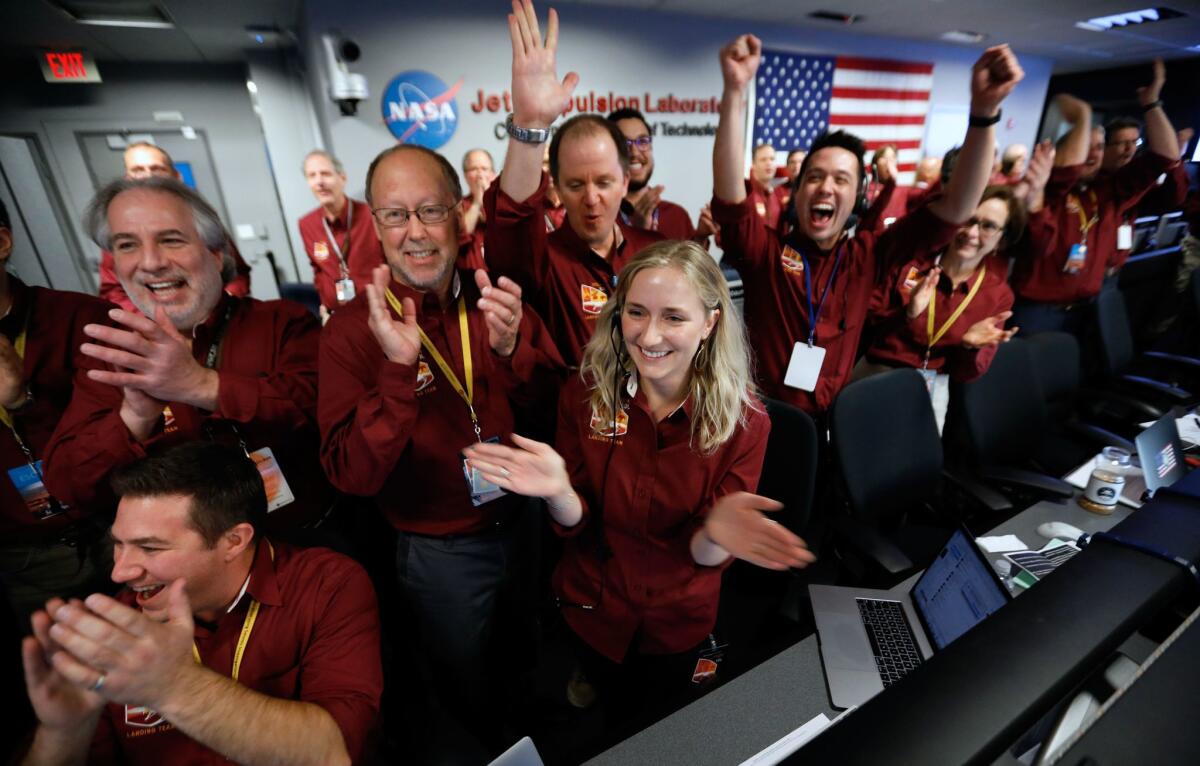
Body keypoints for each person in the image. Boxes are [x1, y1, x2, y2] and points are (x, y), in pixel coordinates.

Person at [463, 239, 814, 724]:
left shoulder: (746, 423)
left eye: (673, 317)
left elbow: (702, 555)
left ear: (710, 323)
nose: (649, 336)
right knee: (589, 717)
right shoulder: (583, 393)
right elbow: (578, 518)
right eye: (636, 313)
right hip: (592, 606)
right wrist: (559, 492)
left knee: (658, 725)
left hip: (675, 622)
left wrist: (717, 532)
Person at [318, 141, 563, 760]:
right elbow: (352, 473)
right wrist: (398, 373)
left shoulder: (497, 300)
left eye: (429, 210)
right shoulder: (351, 331)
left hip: (525, 521)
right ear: (374, 223)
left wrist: (514, 356)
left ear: (458, 214)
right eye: (395, 215)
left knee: (530, 645)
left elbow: (555, 415)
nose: (415, 232)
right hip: (439, 550)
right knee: (462, 678)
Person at [711, 32, 1023, 415]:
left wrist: (985, 110)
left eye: (841, 179)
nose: (826, 187)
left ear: (860, 196)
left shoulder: (871, 254)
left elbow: (957, 208)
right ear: (797, 189)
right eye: (815, 177)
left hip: (835, 423)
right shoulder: (767, 251)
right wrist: (734, 92)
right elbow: (730, 198)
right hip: (763, 422)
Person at [18, 441, 381, 766]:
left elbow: (334, 754)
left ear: (234, 541)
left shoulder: (326, 586)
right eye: (119, 544)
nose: (120, 572)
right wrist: (63, 732)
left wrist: (172, 685)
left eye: (149, 547)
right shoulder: (118, 621)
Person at [44, 177, 332, 534]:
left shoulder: (282, 322)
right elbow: (68, 485)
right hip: (196, 574)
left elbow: (323, 416)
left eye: (170, 240)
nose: (150, 263)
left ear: (215, 252)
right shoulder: (114, 355)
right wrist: (133, 418)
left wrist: (201, 385)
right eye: (127, 245)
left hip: (307, 542)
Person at [485, 0, 663, 367]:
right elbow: (513, 221)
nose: (592, 198)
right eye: (576, 184)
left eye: (604, 181)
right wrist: (531, 124)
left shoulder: (655, 253)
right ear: (557, 189)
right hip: (573, 422)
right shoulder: (543, 260)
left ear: (625, 180)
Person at [0, 198, 115, 630]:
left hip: (115, 528)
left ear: (2, 242)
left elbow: (118, 440)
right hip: (25, 561)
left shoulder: (84, 320)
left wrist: (22, 403)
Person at [1011, 64, 1182, 336]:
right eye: (1085, 145)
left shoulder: (1108, 189)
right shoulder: (1052, 188)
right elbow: (1068, 169)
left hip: (1086, 308)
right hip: (1038, 311)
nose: (1093, 153)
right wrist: (1083, 117)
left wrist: (1151, 104)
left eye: (1100, 147)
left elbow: (1166, 156)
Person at [859, 185, 1027, 432]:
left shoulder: (997, 296)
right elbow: (863, 329)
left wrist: (969, 347)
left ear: (1002, 241)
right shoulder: (912, 262)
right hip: (875, 376)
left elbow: (965, 374)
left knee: (911, 467)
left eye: (987, 226)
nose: (971, 232)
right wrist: (905, 314)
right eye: (968, 220)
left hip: (932, 388)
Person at [99, 143, 250, 312]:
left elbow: (237, 272)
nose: (148, 176)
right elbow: (113, 291)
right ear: (128, 177)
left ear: (176, 175)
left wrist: (224, 306)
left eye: (157, 168)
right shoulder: (118, 229)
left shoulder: (201, 216)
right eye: (138, 170)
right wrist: (155, 322)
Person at [297, 149, 386, 320]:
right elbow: (317, 269)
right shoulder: (307, 224)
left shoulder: (372, 215)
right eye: (312, 176)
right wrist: (324, 301)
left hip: (377, 313)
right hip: (336, 316)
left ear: (342, 178)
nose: (319, 182)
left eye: (326, 174)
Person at [607, 107, 714, 244]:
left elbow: (690, 265)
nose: (634, 152)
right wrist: (637, 234)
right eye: (623, 143)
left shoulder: (676, 215)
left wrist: (700, 237)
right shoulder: (600, 216)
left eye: (643, 141)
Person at [459, 148, 497, 269]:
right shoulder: (459, 205)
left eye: (484, 169)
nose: (480, 175)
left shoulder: (505, 203)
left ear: (493, 174)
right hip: (471, 279)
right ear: (465, 176)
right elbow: (461, 234)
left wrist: (488, 197)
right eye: (474, 169)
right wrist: (477, 202)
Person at [747, 142, 784, 230]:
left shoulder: (779, 195)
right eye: (763, 159)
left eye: (772, 159)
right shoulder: (744, 192)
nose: (769, 163)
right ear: (753, 164)